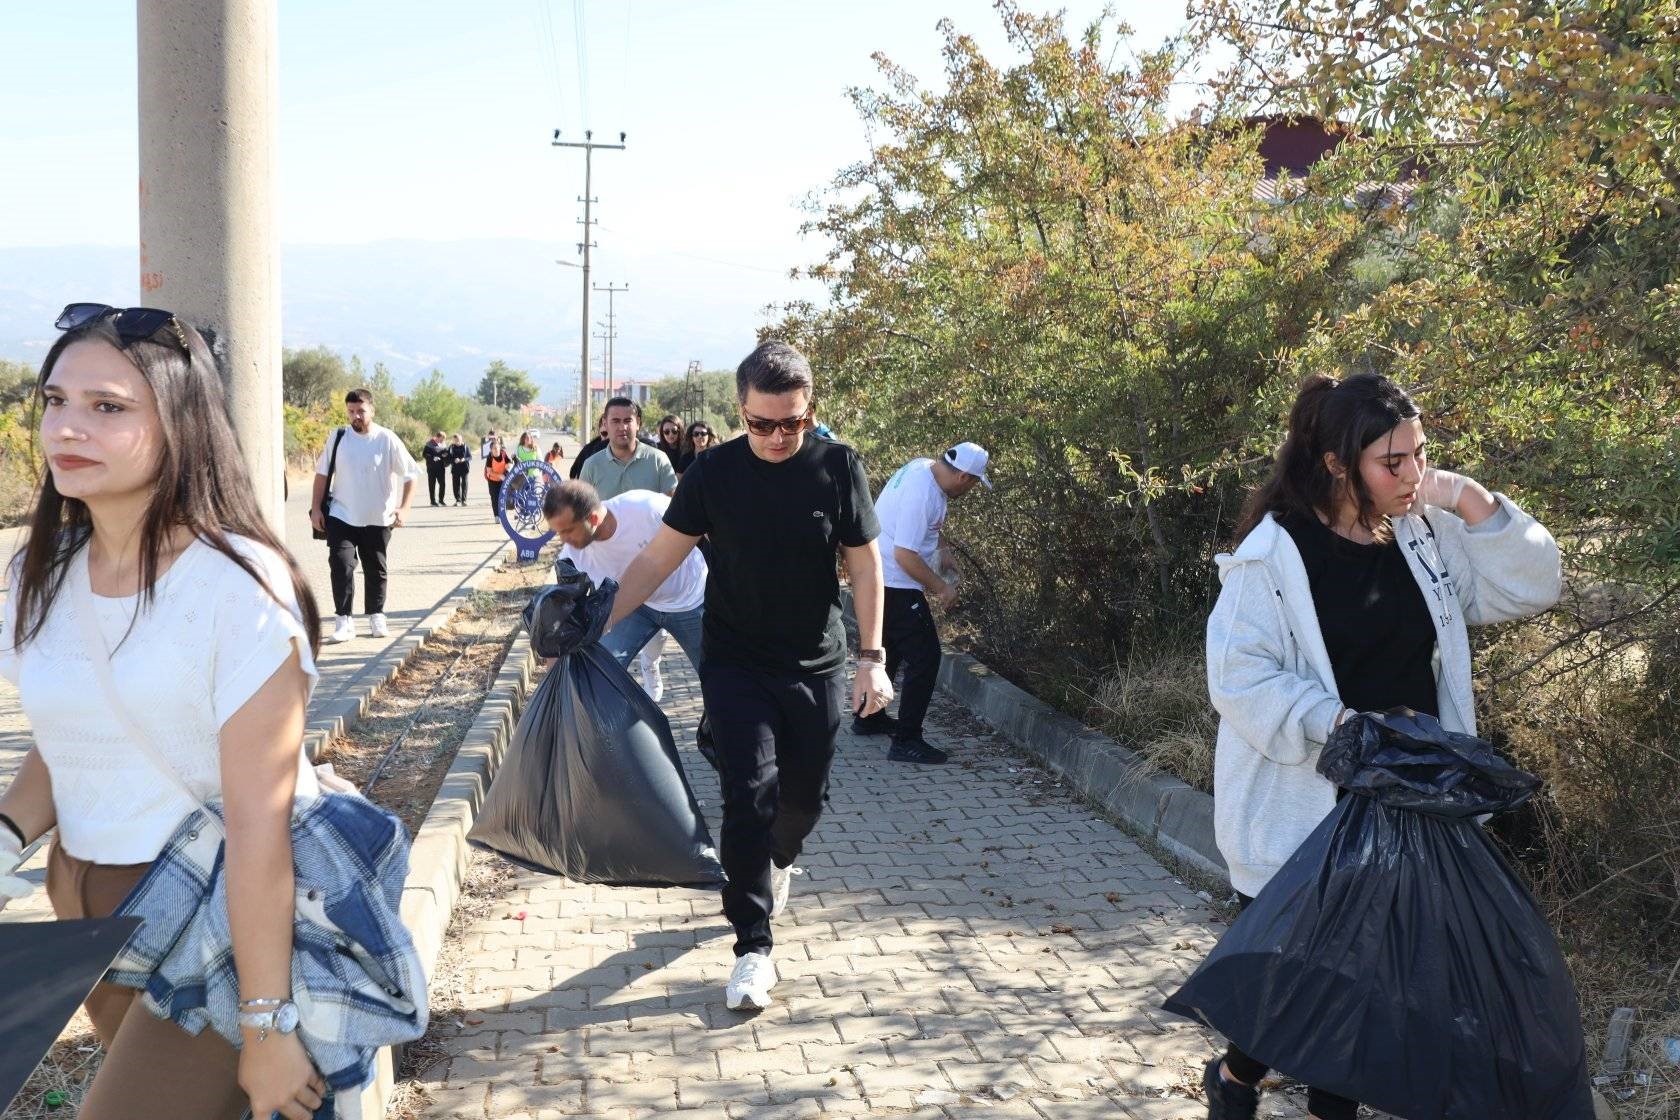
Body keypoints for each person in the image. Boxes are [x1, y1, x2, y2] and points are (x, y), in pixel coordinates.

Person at [1199, 372, 1561, 1120]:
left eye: (1420, 455)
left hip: (1407, 798)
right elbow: (1238, 677)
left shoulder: (1421, 535)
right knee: (1299, 984)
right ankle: (1236, 1078)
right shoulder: (1275, 554)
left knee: (1370, 987)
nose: (1412, 475)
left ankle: (1322, 1107)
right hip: (1309, 805)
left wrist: (1467, 498)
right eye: (1391, 462)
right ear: (1337, 461)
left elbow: (1533, 586)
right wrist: (1338, 724)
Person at [0, 303, 328, 1120]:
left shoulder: (237, 586)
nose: (67, 428)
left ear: (180, 423)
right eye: (54, 402)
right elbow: (71, 741)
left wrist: (266, 1024)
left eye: (108, 407)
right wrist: (6, 836)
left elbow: (262, 823)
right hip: (80, 903)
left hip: (208, 911)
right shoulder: (40, 573)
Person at [606, 340, 892, 1012]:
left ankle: (781, 859)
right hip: (733, 662)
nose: (775, 436)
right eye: (761, 423)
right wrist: (596, 618)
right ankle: (752, 948)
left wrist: (871, 659)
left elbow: (868, 567)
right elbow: (656, 561)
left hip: (815, 663)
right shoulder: (713, 474)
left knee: (803, 800)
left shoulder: (837, 467)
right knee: (747, 795)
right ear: (740, 412)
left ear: (809, 410)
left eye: (790, 422)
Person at [861, 443, 992, 764]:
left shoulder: (922, 467)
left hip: (882, 577)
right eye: (975, 482)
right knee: (926, 657)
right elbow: (905, 554)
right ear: (963, 477)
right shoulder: (924, 494)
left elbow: (930, 526)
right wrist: (941, 589)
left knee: (889, 649)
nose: (973, 488)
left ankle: (869, 717)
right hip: (895, 580)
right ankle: (906, 741)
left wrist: (943, 551)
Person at [544, 480, 705, 675]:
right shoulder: (571, 556)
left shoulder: (646, 508)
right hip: (635, 606)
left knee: (715, 676)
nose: (563, 540)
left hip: (689, 600)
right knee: (599, 670)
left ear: (593, 519)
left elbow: (701, 523)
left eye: (568, 530)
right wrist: (552, 678)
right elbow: (562, 615)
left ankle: (652, 660)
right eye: (558, 532)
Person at [310, 388, 418, 643]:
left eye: (361, 411)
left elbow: (411, 474)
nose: (355, 416)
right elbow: (322, 475)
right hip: (341, 515)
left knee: (376, 569)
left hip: (378, 518)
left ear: (372, 411)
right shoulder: (338, 438)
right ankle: (343, 620)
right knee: (341, 565)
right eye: (351, 411)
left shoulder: (387, 439)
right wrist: (316, 508)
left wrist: (404, 508)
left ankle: (376, 615)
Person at [581, 398, 678, 499]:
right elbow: (581, 509)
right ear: (605, 424)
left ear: (638, 423)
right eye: (616, 421)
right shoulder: (591, 466)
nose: (622, 427)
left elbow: (673, 506)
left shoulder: (658, 460)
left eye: (628, 421)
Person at [569, 415, 609, 480]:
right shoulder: (588, 449)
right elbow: (573, 472)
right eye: (603, 424)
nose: (605, 427)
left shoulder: (588, 448)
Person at [483, 437, 513, 520]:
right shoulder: (490, 457)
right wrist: (499, 475)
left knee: (503, 496)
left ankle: (503, 513)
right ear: (491, 450)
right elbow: (489, 471)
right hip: (492, 480)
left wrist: (508, 466)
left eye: (497, 448)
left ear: (500, 448)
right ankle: (496, 516)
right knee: (494, 497)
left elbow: (509, 462)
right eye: (494, 448)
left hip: (502, 480)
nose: (496, 450)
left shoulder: (503, 453)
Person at [422, 430, 449, 507]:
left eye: (444, 439)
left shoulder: (443, 444)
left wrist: (445, 455)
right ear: (438, 437)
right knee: (432, 484)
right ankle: (433, 501)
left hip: (441, 467)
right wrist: (432, 457)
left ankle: (441, 500)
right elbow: (424, 454)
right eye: (442, 439)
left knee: (442, 484)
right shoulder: (429, 444)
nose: (443, 440)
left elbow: (447, 453)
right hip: (431, 467)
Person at [449, 432, 471, 506]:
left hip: (464, 468)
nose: (457, 442)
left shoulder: (465, 447)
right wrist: (454, 460)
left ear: (461, 440)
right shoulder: (451, 447)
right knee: (456, 485)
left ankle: (464, 500)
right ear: (453, 440)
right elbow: (449, 458)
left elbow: (470, 457)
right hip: (455, 468)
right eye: (455, 440)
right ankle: (458, 500)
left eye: (458, 440)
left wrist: (464, 459)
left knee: (464, 484)